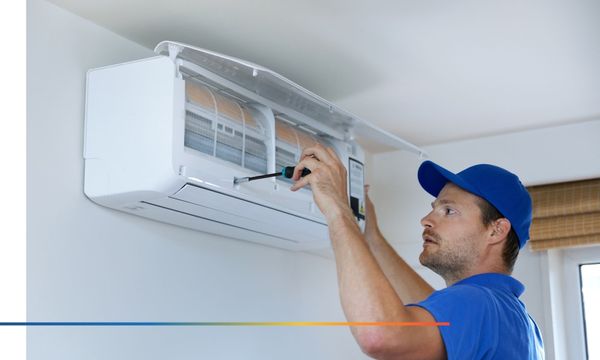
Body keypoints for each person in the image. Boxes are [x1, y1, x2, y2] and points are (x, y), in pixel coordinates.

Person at [290, 144, 544, 360]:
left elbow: (379, 334)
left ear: (496, 230)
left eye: (448, 211)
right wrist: (372, 238)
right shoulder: (515, 320)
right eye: (433, 209)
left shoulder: (478, 304)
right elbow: (435, 308)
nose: (426, 219)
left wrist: (337, 209)